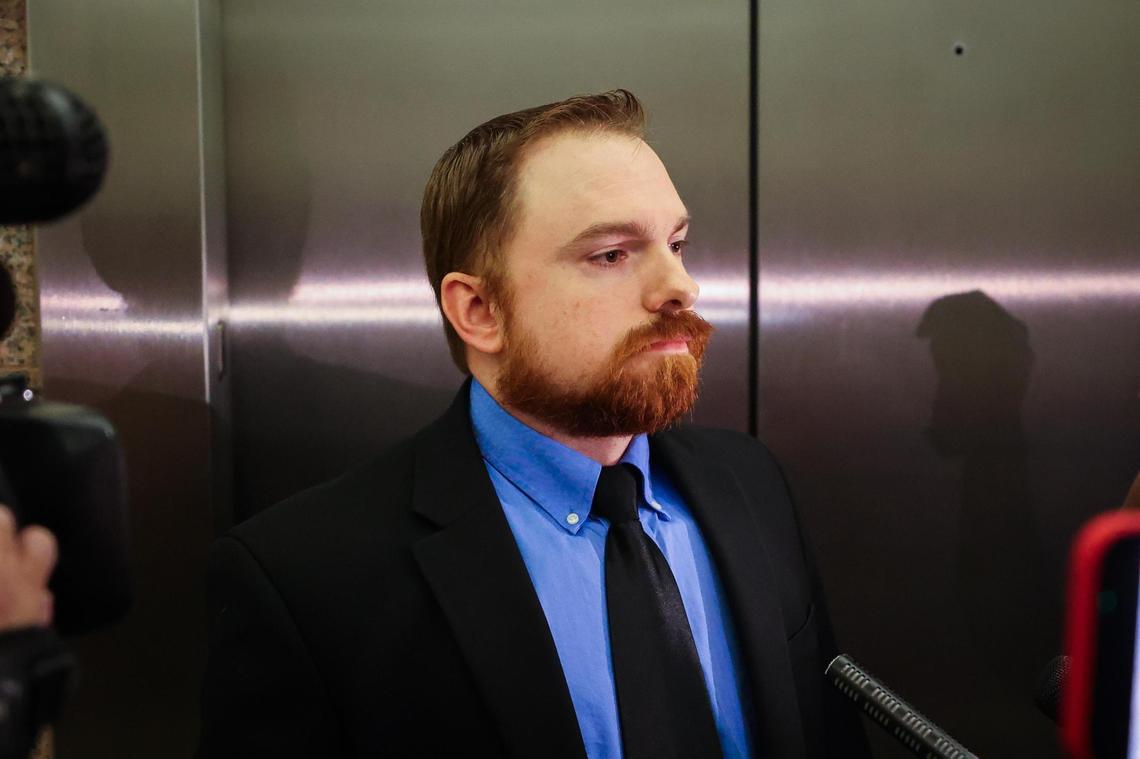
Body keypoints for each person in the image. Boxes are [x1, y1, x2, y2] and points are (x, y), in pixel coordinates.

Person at [199, 90, 870, 758]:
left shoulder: (750, 485)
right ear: (480, 310)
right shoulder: (307, 578)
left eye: (677, 243)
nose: (680, 286)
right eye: (611, 254)